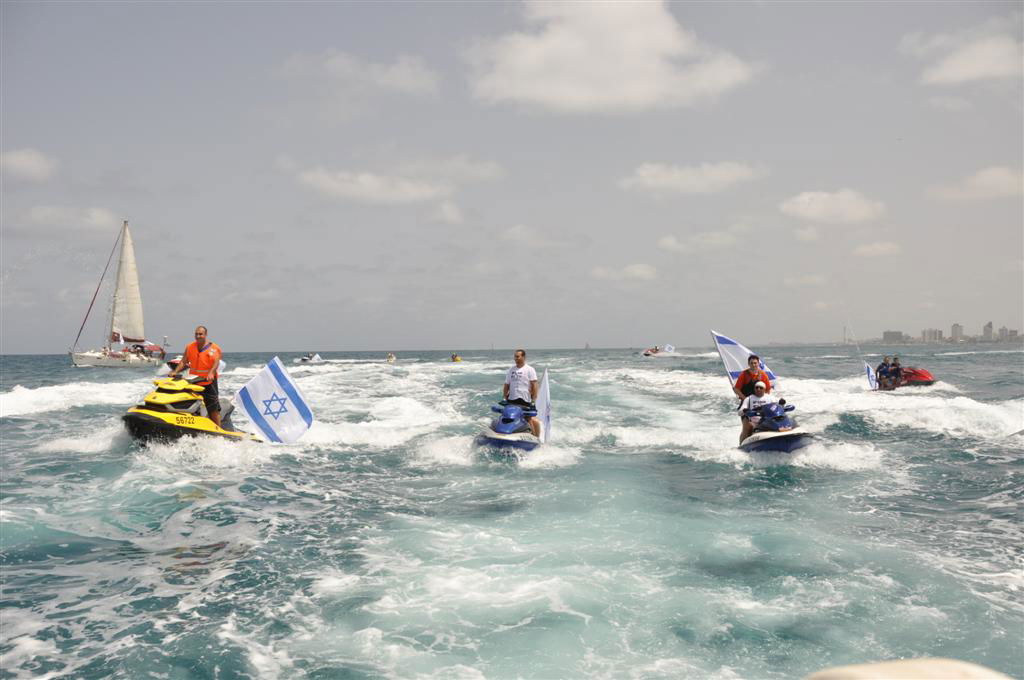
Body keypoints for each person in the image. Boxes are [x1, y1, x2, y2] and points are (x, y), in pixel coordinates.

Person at [168, 325, 223, 428]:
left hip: (208, 382)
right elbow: (184, 361)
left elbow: (216, 362)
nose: (198, 336)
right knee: (188, 403)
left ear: (206, 335)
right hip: (194, 382)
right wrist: (175, 371)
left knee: (213, 408)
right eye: (196, 334)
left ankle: (219, 430)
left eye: (200, 334)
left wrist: (211, 372)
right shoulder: (190, 347)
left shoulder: (214, 348)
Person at [503, 348, 540, 437]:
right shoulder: (511, 370)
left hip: (525, 399)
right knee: (510, 417)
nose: (516, 358)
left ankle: (535, 438)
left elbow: (534, 385)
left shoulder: (530, 369)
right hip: (512, 398)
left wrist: (533, 399)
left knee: (528, 418)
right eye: (515, 357)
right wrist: (504, 397)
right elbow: (506, 384)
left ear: (523, 357)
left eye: (518, 357)